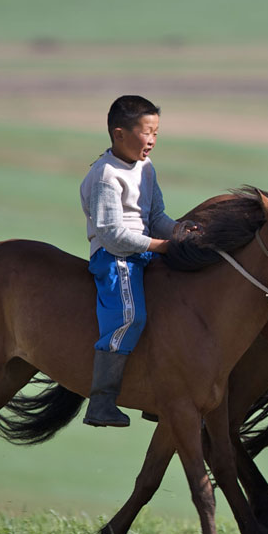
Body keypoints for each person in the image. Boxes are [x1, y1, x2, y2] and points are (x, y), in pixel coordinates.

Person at [79, 95, 185, 427]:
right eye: (146, 131)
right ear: (120, 133)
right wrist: (162, 246)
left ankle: (157, 393)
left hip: (145, 251)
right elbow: (111, 234)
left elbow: (155, 216)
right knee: (130, 316)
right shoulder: (105, 175)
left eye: (156, 132)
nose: (152, 139)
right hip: (115, 257)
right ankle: (102, 401)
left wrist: (182, 231)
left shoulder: (146, 168)